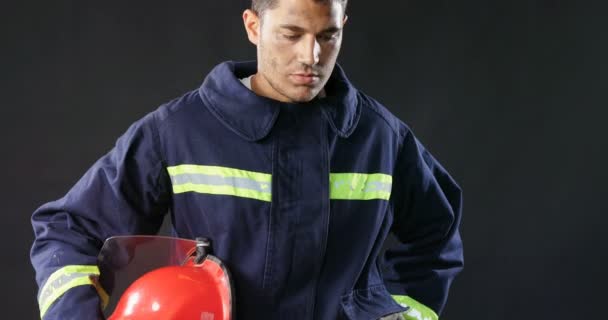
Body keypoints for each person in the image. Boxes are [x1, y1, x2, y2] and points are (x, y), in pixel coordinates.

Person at [30, 0, 464, 319]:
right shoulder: (179, 131)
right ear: (253, 26)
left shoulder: (381, 138)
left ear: (343, 25)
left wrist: (400, 314)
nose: (311, 57)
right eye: (292, 35)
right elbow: (68, 230)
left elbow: (436, 235)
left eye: (328, 35)